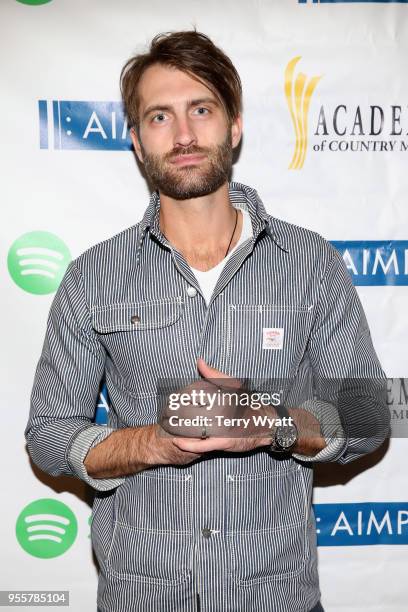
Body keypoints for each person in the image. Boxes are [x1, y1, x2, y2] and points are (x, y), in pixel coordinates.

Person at [25, 30, 390, 612]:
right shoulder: (93, 277)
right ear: (138, 143)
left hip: (275, 598)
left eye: (201, 109)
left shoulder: (311, 263)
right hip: (145, 597)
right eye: (160, 117)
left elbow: (370, 413)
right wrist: (152, 443)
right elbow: (47, 436)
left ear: (235, 125)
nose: (185, 135)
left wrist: (268, 421)